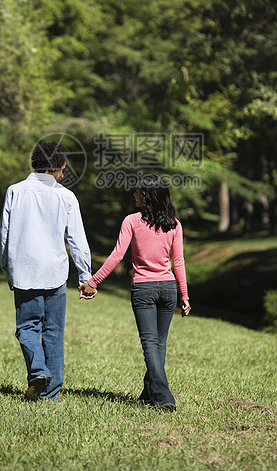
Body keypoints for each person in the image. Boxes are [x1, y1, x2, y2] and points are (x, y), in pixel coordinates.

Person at [79, 174, 191, 411]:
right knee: (159, 344)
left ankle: (163, 397)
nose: (134, 195)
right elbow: (178, 261)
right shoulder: (174, 223)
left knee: (151, 343)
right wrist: (184, 295)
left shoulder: (132, 220)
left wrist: (94, 281)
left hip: (143, 288)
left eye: (138, 191)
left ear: (148, 196)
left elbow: (117, 255)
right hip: (168, 288)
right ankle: (148, 394)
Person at [0, 141, 95, 402]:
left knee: (27, 327)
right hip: (55, 274)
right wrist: (85, 277)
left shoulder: (15, 191)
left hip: (25, 272)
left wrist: (8, 270)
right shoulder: (66, 196)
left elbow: (3, 237)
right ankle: (52, 394)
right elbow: (78, 241)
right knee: (54, 332)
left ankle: (38, 371)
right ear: (59, 166)